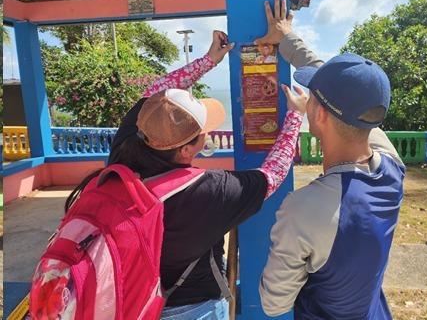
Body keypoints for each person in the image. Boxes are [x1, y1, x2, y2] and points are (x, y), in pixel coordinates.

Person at [65, 30, 308, 320]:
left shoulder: (127, 145)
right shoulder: (209, 191)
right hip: (190, 309)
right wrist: (296, 116)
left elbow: (155, 93)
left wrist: (207, 61)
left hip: (122, 303)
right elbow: (271, 174)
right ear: (186, 151)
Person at [257, 0, 405, 319]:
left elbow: (274, 303)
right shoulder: (392, 168)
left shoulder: (303, 209)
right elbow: (343, 89)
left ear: (319, 116)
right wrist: (288, 39)